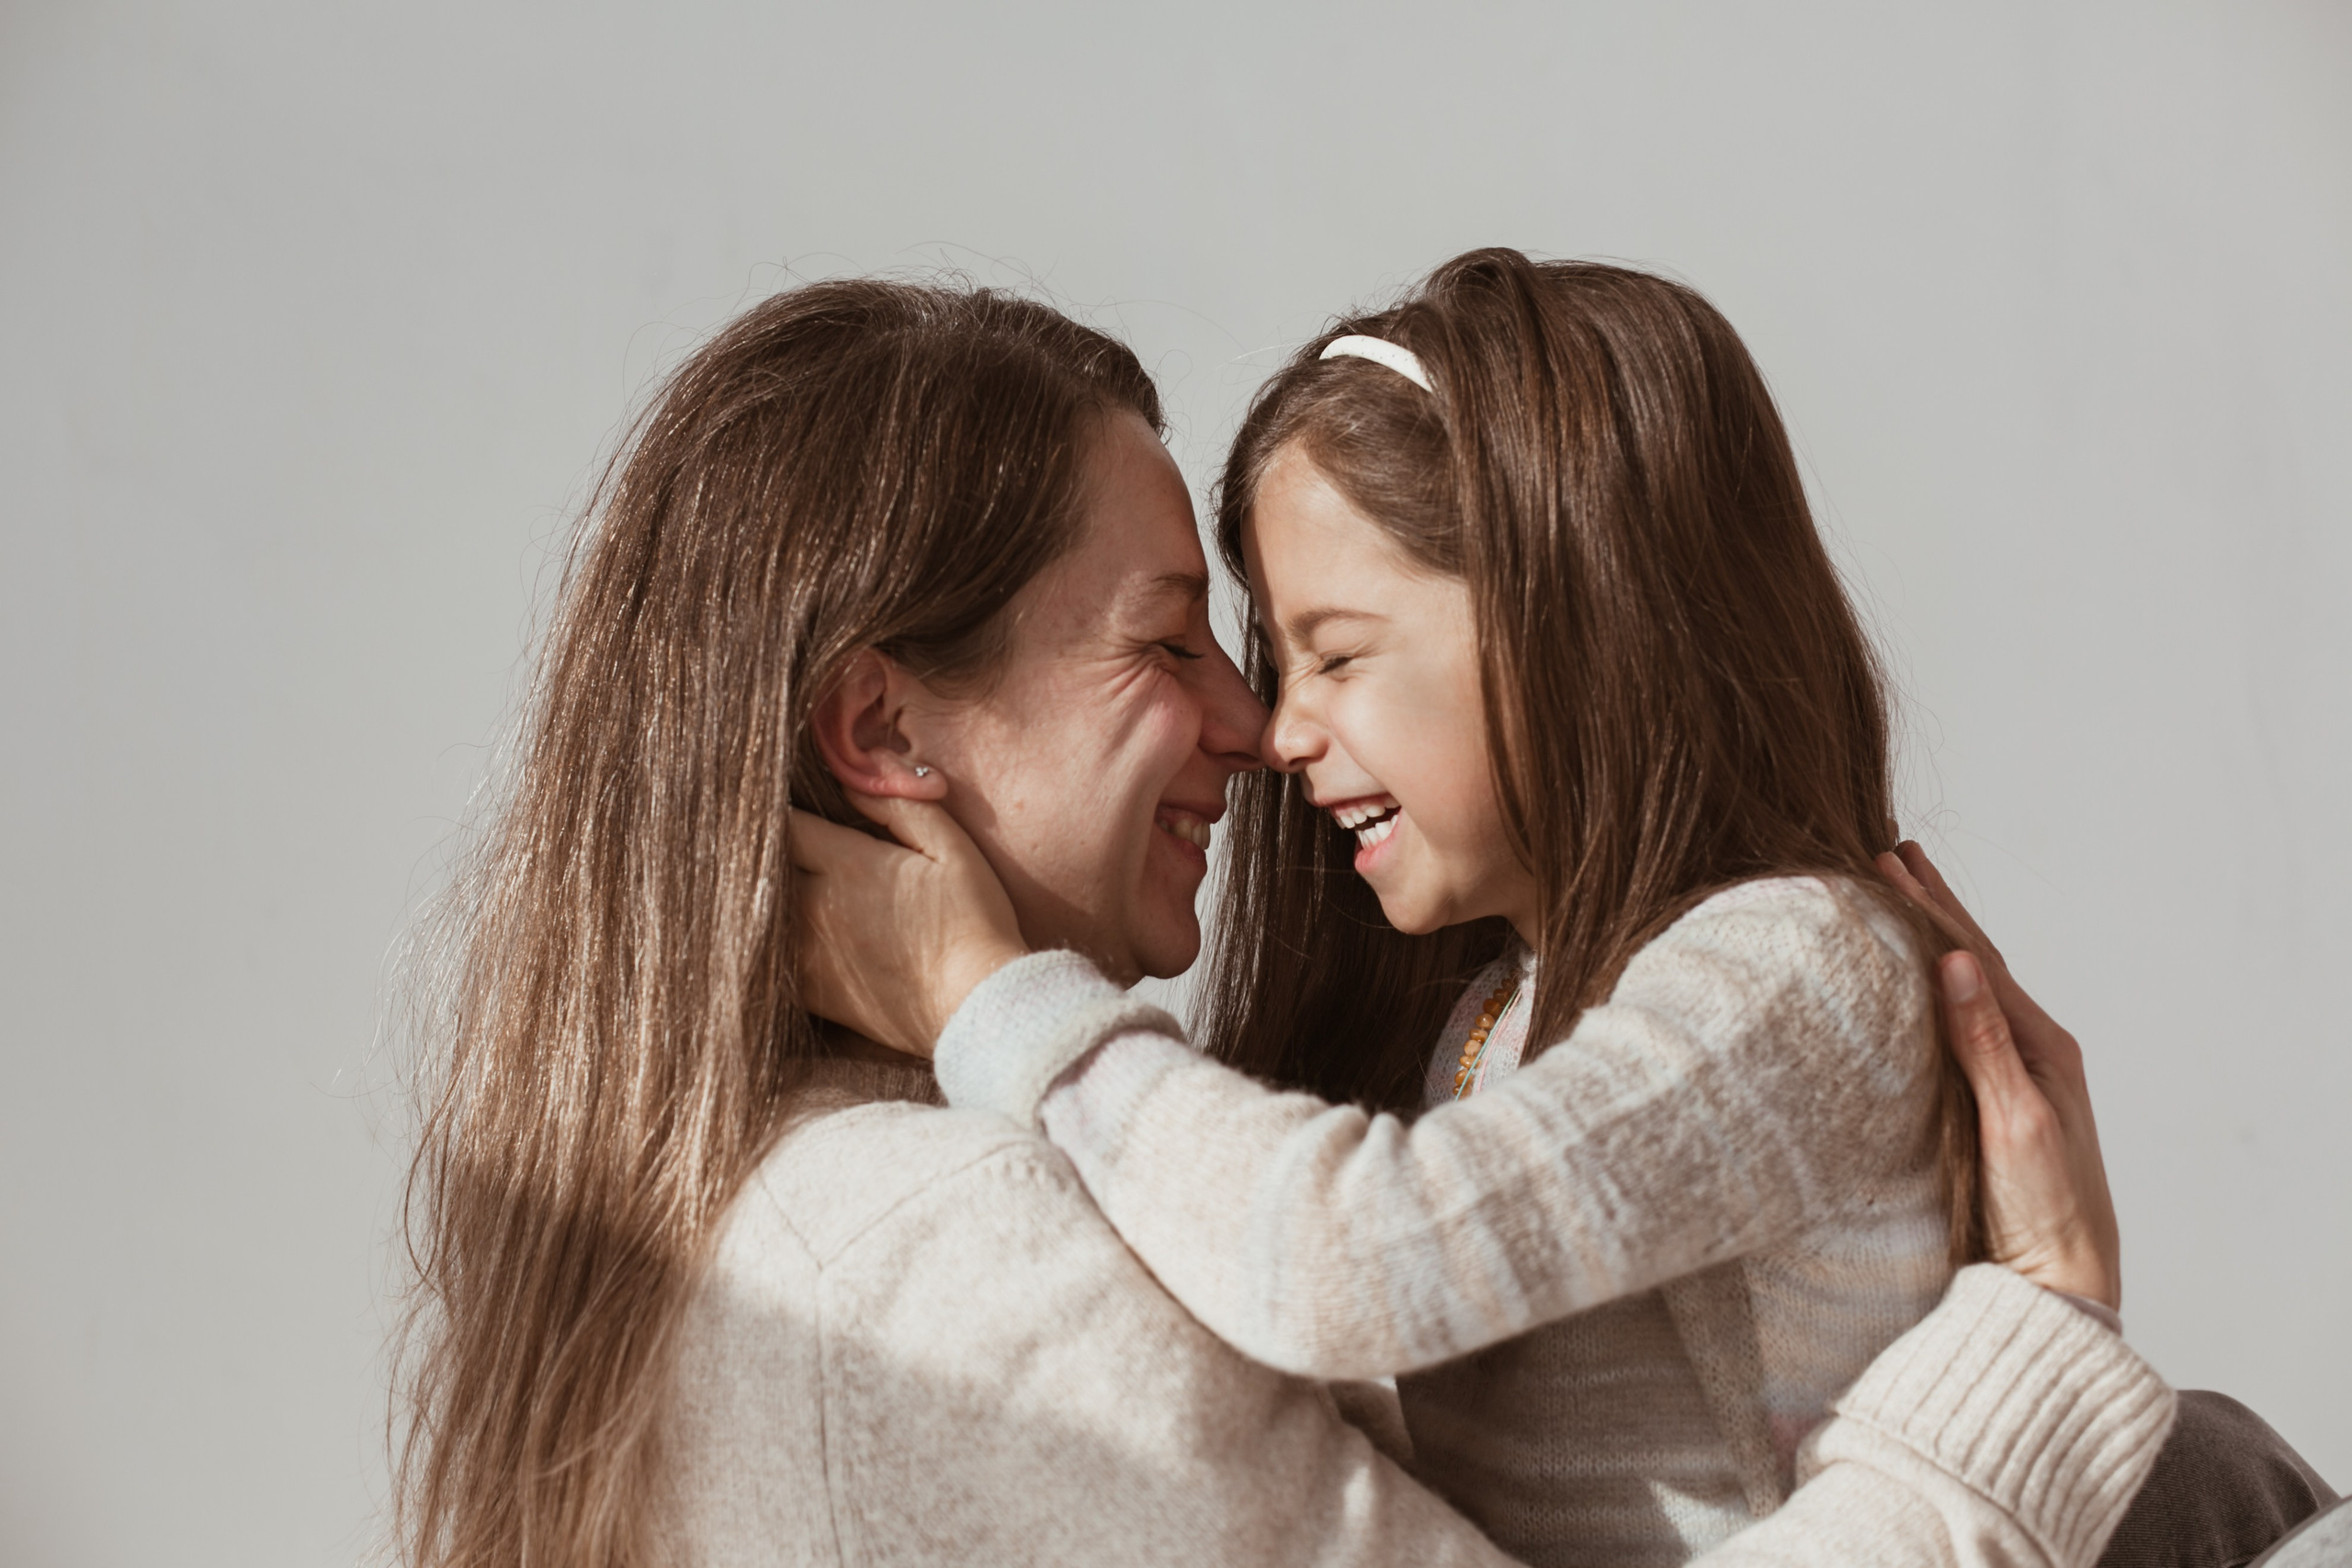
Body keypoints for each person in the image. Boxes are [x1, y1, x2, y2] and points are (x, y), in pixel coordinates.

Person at [400, 275, 2250, 1568]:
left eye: (1305, 654)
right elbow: (1356, 1256)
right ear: (881, 729)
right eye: (1172, 640)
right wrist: (2037, 1342)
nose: (1258, 729)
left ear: (1562, 619)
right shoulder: (952, 1254)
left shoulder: (763, 1213)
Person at [799, 252, 2002, 1564]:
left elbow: (1356, 1263)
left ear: (1575, 620)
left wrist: (990, 998)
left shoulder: (1799, 967)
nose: (1281, 727)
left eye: (1338, 652)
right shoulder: (1499, 1009)